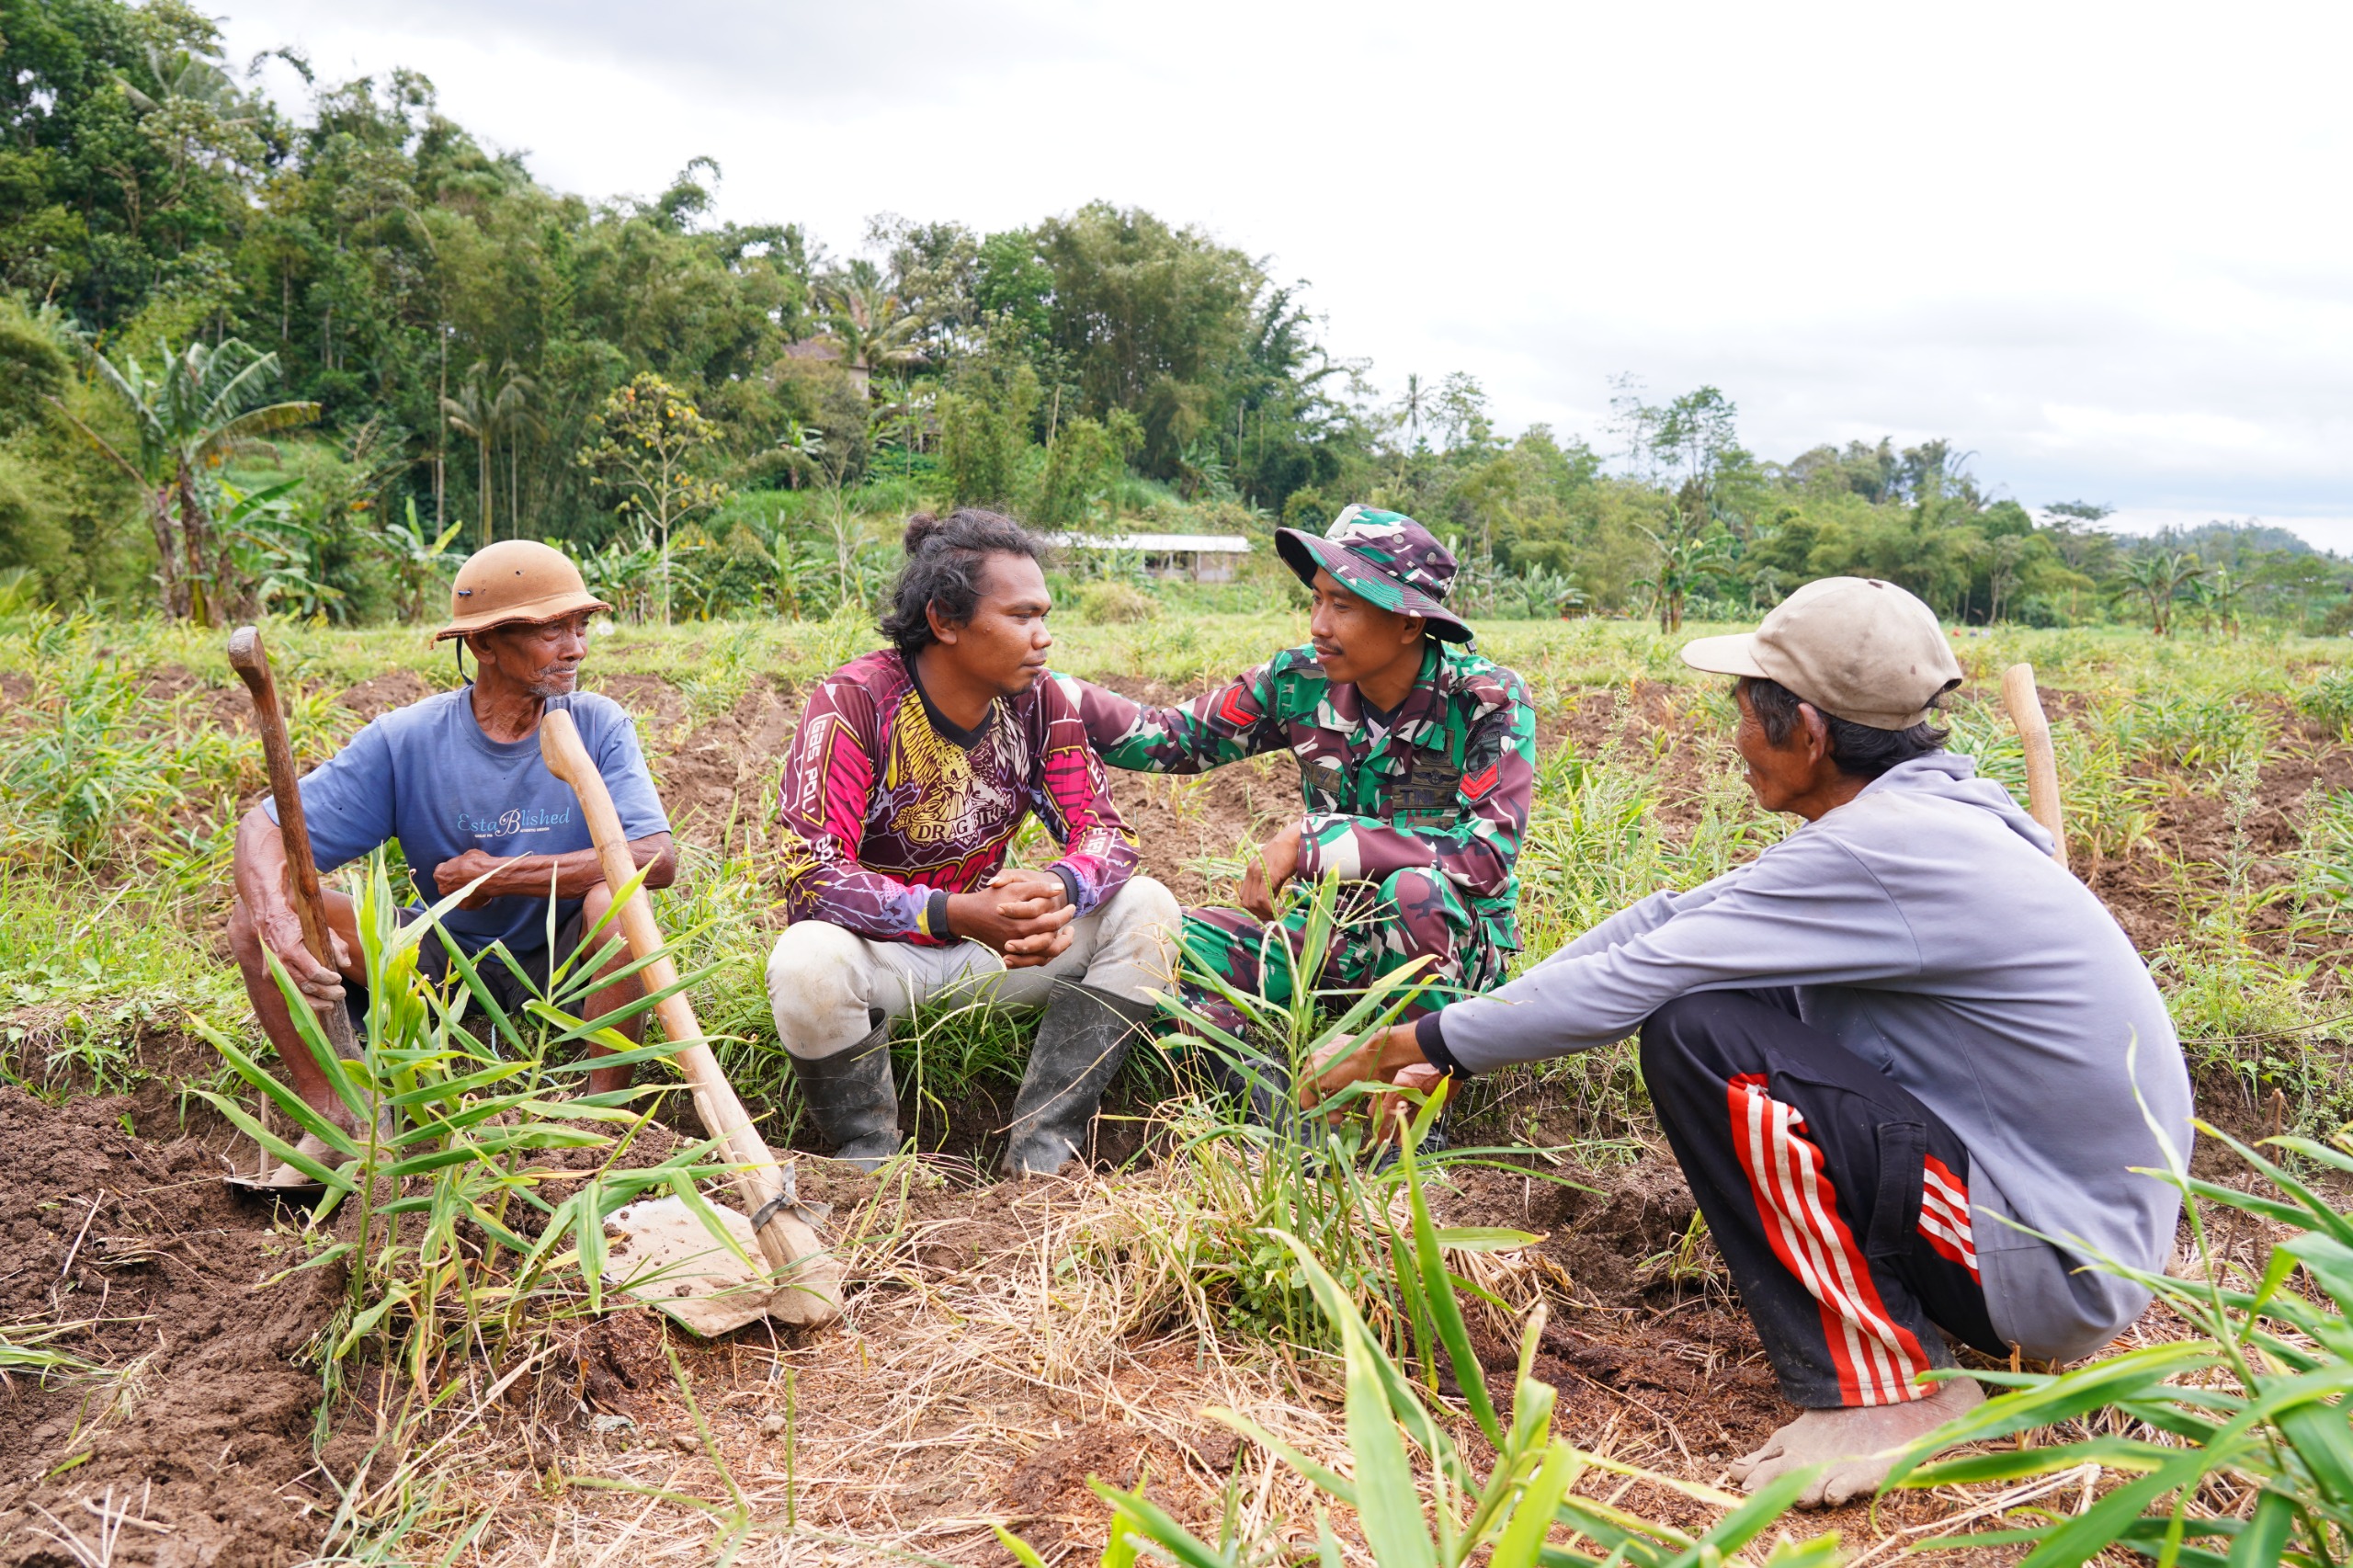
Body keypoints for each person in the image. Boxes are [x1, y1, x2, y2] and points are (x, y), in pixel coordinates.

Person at [1313, 575, 2193, 1507]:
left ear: (1806, 733)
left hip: (2046, 1268)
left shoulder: (1878, 850)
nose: (1733, 740)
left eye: (1742, 711)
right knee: (1725, 986)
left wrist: (1417, 1041)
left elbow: (1635, 982)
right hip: (2048, 1228)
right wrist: (1453, 1034)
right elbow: (1662, 923)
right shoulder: (1921, 818)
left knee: (1701, 1033)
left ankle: (1890, 1389)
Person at [227, 540, 675, 1183]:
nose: (576, 647)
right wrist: (276, 918)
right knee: (252, 916)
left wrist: (495, 876)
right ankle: (336, 1114)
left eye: (580, 626)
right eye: (552, 630)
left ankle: (597, 1114)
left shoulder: (597, 725)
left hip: (567, 969)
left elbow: (655, 859)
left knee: (620, 897)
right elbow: (264, 826)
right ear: (486, 645)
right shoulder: (408, 739)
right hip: (439, 968)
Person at [766, 509, 1178, 1177]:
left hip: (995, 952)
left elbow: (1106, 832)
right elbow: (813, 874)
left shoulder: (1040, 703)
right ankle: (865, 1160)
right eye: (1020, 616)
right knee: (806, 958)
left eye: (1044, 615)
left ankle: (1044, 1149)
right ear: (945, 621)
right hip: (885, 961)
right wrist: (954, 913)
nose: (1042, 638)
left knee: (1148, 908)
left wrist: (1056, 889)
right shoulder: (856, 702)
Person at [1068, 506, 1535, 1093]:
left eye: (1343, 605)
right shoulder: (1298, 682)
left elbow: (1488, 859)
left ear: (1410, 623)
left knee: (1414, 890)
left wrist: (1314, 840)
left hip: (1443, 948)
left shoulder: (1486, 700)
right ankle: (1260, 1095)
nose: (1318, 624)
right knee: (1164, 941)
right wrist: (1041, 682)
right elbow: (1167, 738)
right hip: (1323, 932)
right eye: (1316, 599)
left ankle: (1412, 1102)